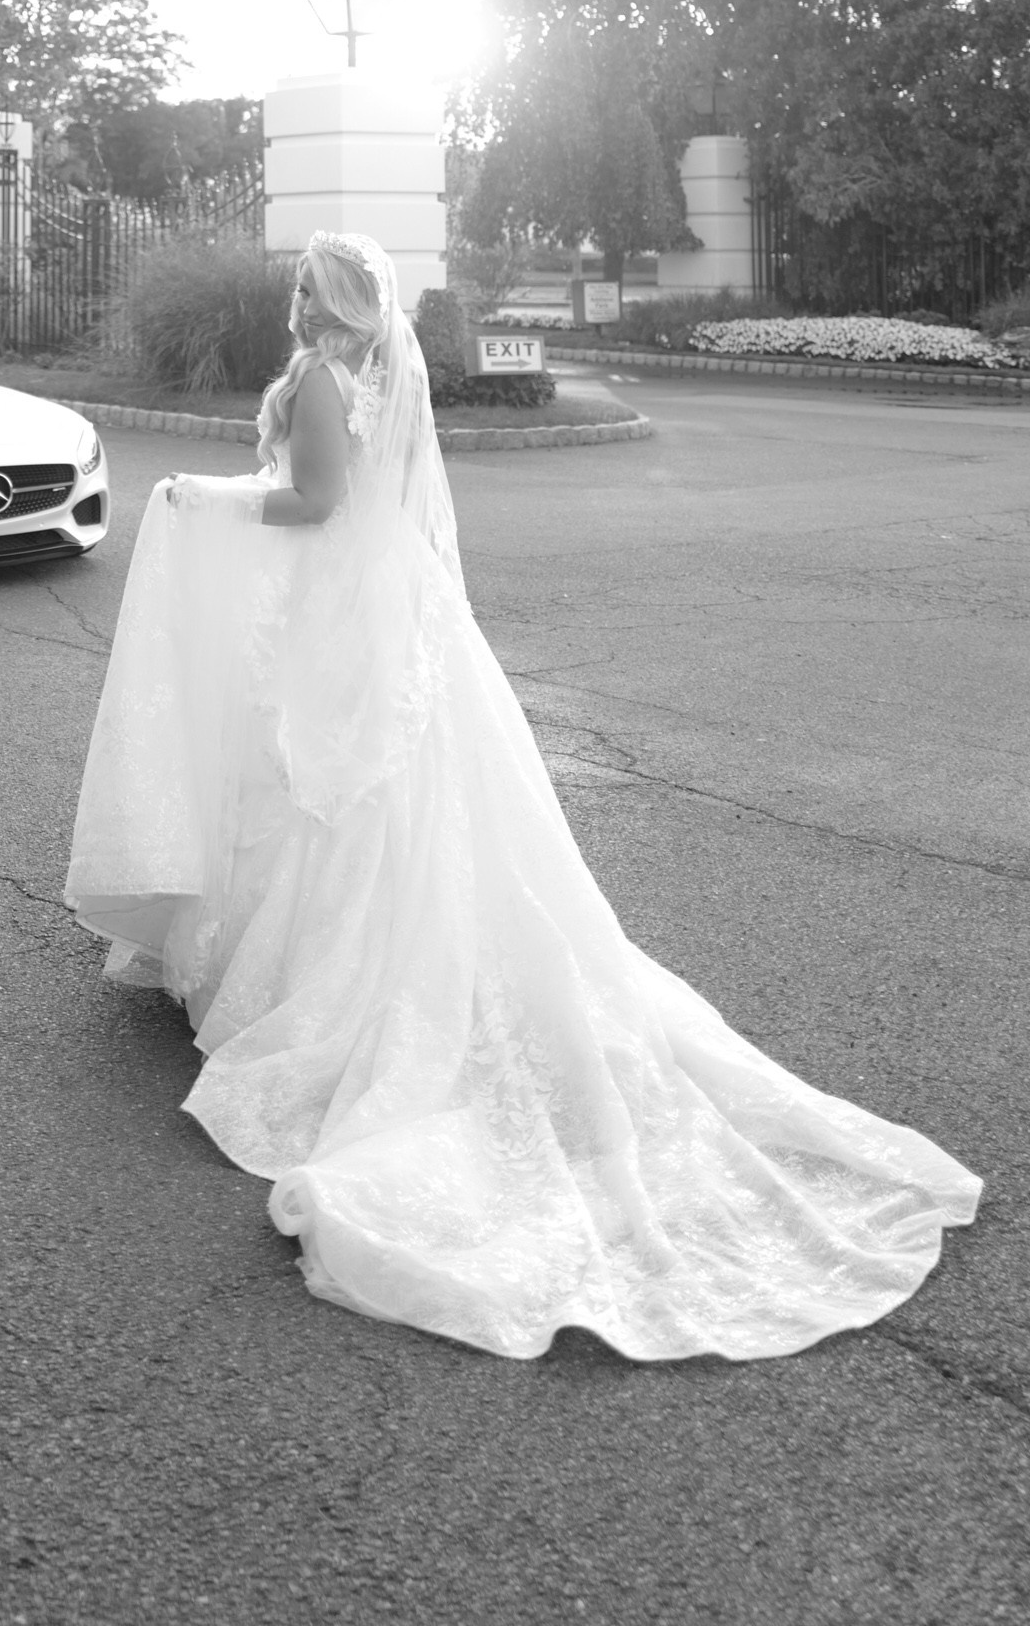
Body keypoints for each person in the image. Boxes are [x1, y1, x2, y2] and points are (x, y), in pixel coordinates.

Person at [65, 230, 979, 1361]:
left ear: (343, 306)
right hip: (393, 606)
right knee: (403, 796)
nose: (296, 304)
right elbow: (366, 507)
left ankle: (324, 970)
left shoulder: (317, 379)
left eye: (311, 290)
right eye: (299, 287)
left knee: (331, 789)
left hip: (343, 612)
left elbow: (307, 505)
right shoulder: (381, 375)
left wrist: (203, 497)